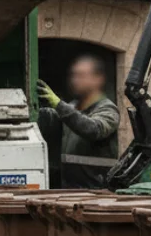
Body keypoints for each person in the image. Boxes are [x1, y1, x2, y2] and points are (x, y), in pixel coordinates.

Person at [36, 54, 120, 189]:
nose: (75, 80)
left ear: (98, 79)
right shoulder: (72, 107)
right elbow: (56, 121)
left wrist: (58, 105)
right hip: (70, 190)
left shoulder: (108, 109)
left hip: (97, 191)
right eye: (73, 75)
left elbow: (94, 129)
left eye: (81, 76)